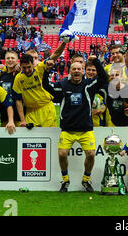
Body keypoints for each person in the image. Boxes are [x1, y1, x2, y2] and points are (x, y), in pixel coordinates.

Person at [42, 56, 108, 193]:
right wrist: (46, 71)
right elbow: (47, 86)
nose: (77, 71)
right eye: (74, 69)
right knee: (62, 154)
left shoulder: (89, 85)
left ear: (83, 71)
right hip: (68, 130)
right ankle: (65, 180)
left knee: (90, 154)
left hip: (85, 129)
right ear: (70, 71)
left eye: (79, 69)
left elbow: (103, 78)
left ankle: (86, 180)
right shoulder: (63, 85)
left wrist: (96, 61)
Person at [12, 39, 67, 128]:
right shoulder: (18, 78)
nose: (27, 70)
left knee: (49, 138)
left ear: (32, 63)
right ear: (20, 66)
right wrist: (23, 120)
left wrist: (65, 42)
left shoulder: (40, 69)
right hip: (31, 112)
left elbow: (55, 54)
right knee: (31, 140)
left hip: (46, 108)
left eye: (29, 67)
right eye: (24, 68)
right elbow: (18, 100)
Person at [0, 50, 22, 127]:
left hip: (20, 118)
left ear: (17, 60)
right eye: (8, 58)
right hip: (4, 118)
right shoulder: (1, 75)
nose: (10, 60)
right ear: (5, 60)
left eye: (12, 58)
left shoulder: (21, 74)